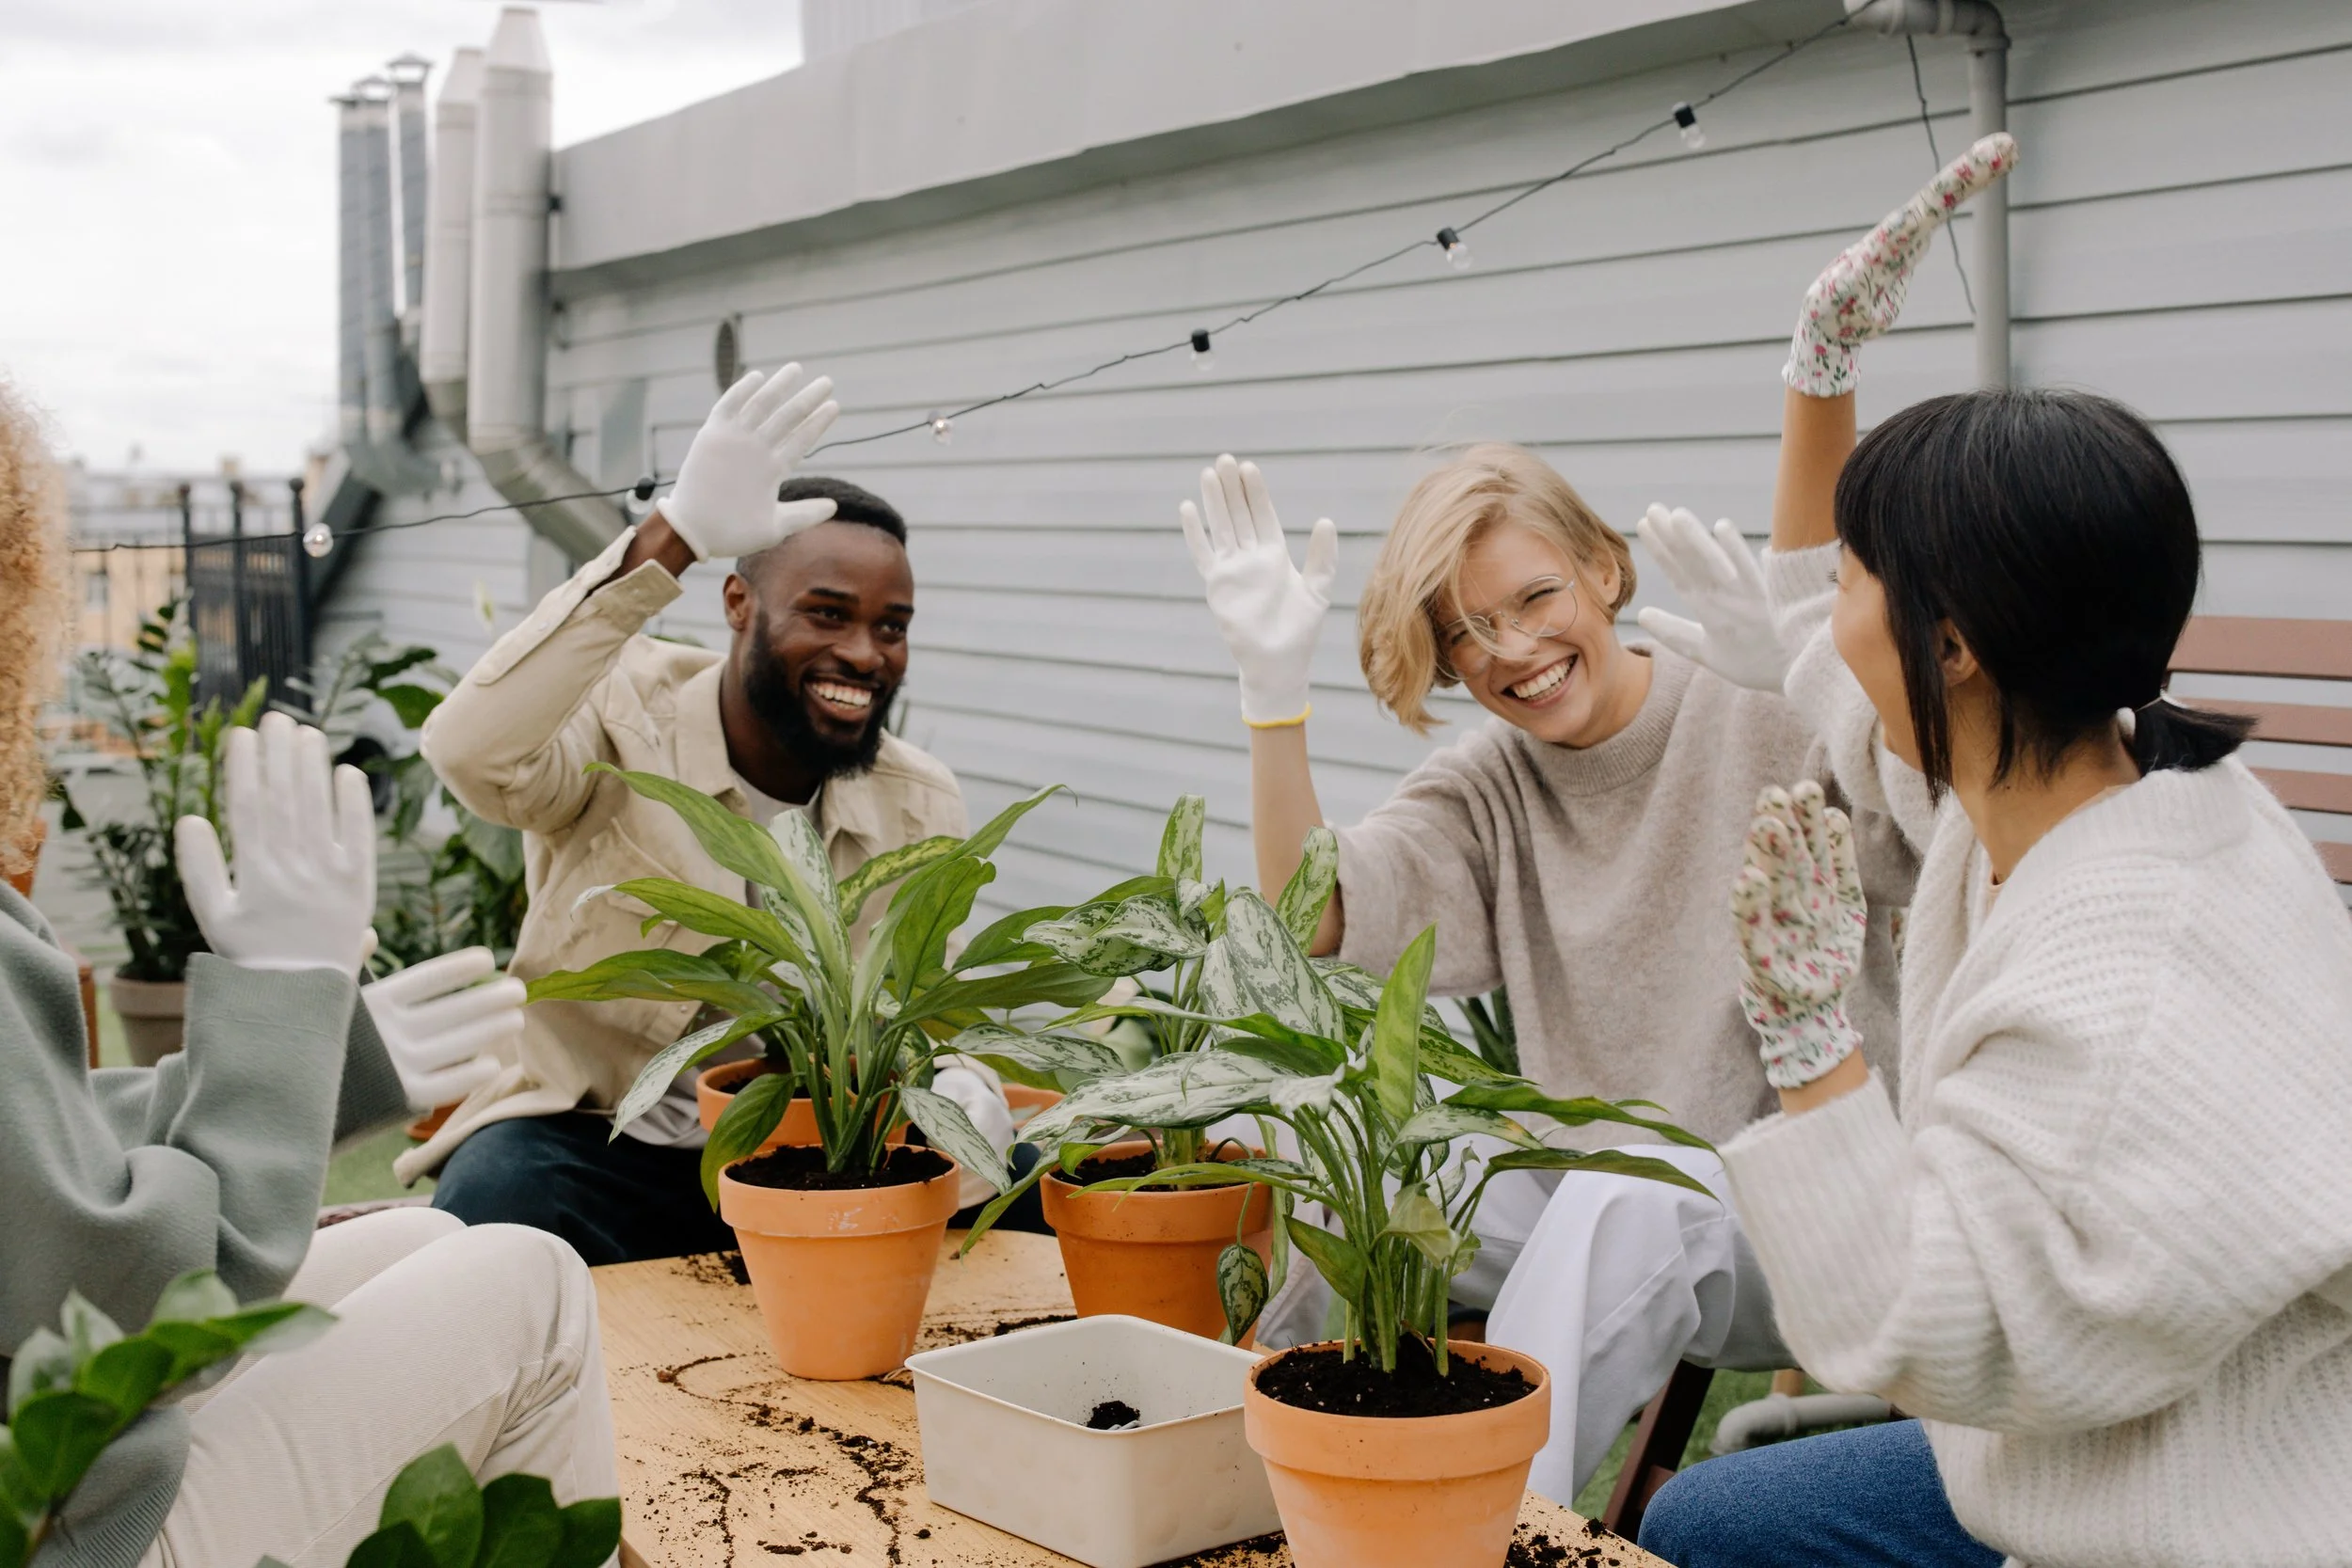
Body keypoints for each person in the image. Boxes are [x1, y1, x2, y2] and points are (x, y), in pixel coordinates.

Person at [1171, 166, 2013, 1497]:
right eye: (1468, 632)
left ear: (1606, 570)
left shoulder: (1748, 690)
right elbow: (1312, 921)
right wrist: (1273, 700)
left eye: (1534, 596)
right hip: (1598, 1207)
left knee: (1631, 1189)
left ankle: (1493, 1525)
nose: (1512, 649)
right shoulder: (1492, 784)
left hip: (1822, 1205)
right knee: (1368, 1162)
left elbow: (1878, 723)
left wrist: (1820, 377)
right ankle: (1246, 1486)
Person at [1636, 150, 2352, 1566]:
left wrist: (1807, 1031)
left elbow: (1924, 1324)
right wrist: (1817, 370)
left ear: (1956, 643)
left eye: (1851, 575)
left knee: (1718, 1529)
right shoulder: (2067, 765)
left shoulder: (2135, 981)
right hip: (2089, 1448)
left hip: (2211, 1507)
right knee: (1705, 1512)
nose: (1824, 607)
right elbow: (1855, 689)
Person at [0, 377, 612, 1567]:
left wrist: (318, 1052)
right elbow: (142, 1308)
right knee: (530, 1279)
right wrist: (279, 987)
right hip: (62, 1527)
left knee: (432, 1241)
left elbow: (37, 1157)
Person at [413, 366, 1019, 1264]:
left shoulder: (918, 797)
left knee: (1041, 1186)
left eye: (892, 626)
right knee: (498, 1199)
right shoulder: (621, 712)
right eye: (827, 613)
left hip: (825, 1162)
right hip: (612, 1145)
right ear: (740, 605)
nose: (864, 652)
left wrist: (966, 1084)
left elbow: (931, 1018)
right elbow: (471, 751)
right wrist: (675, 538)